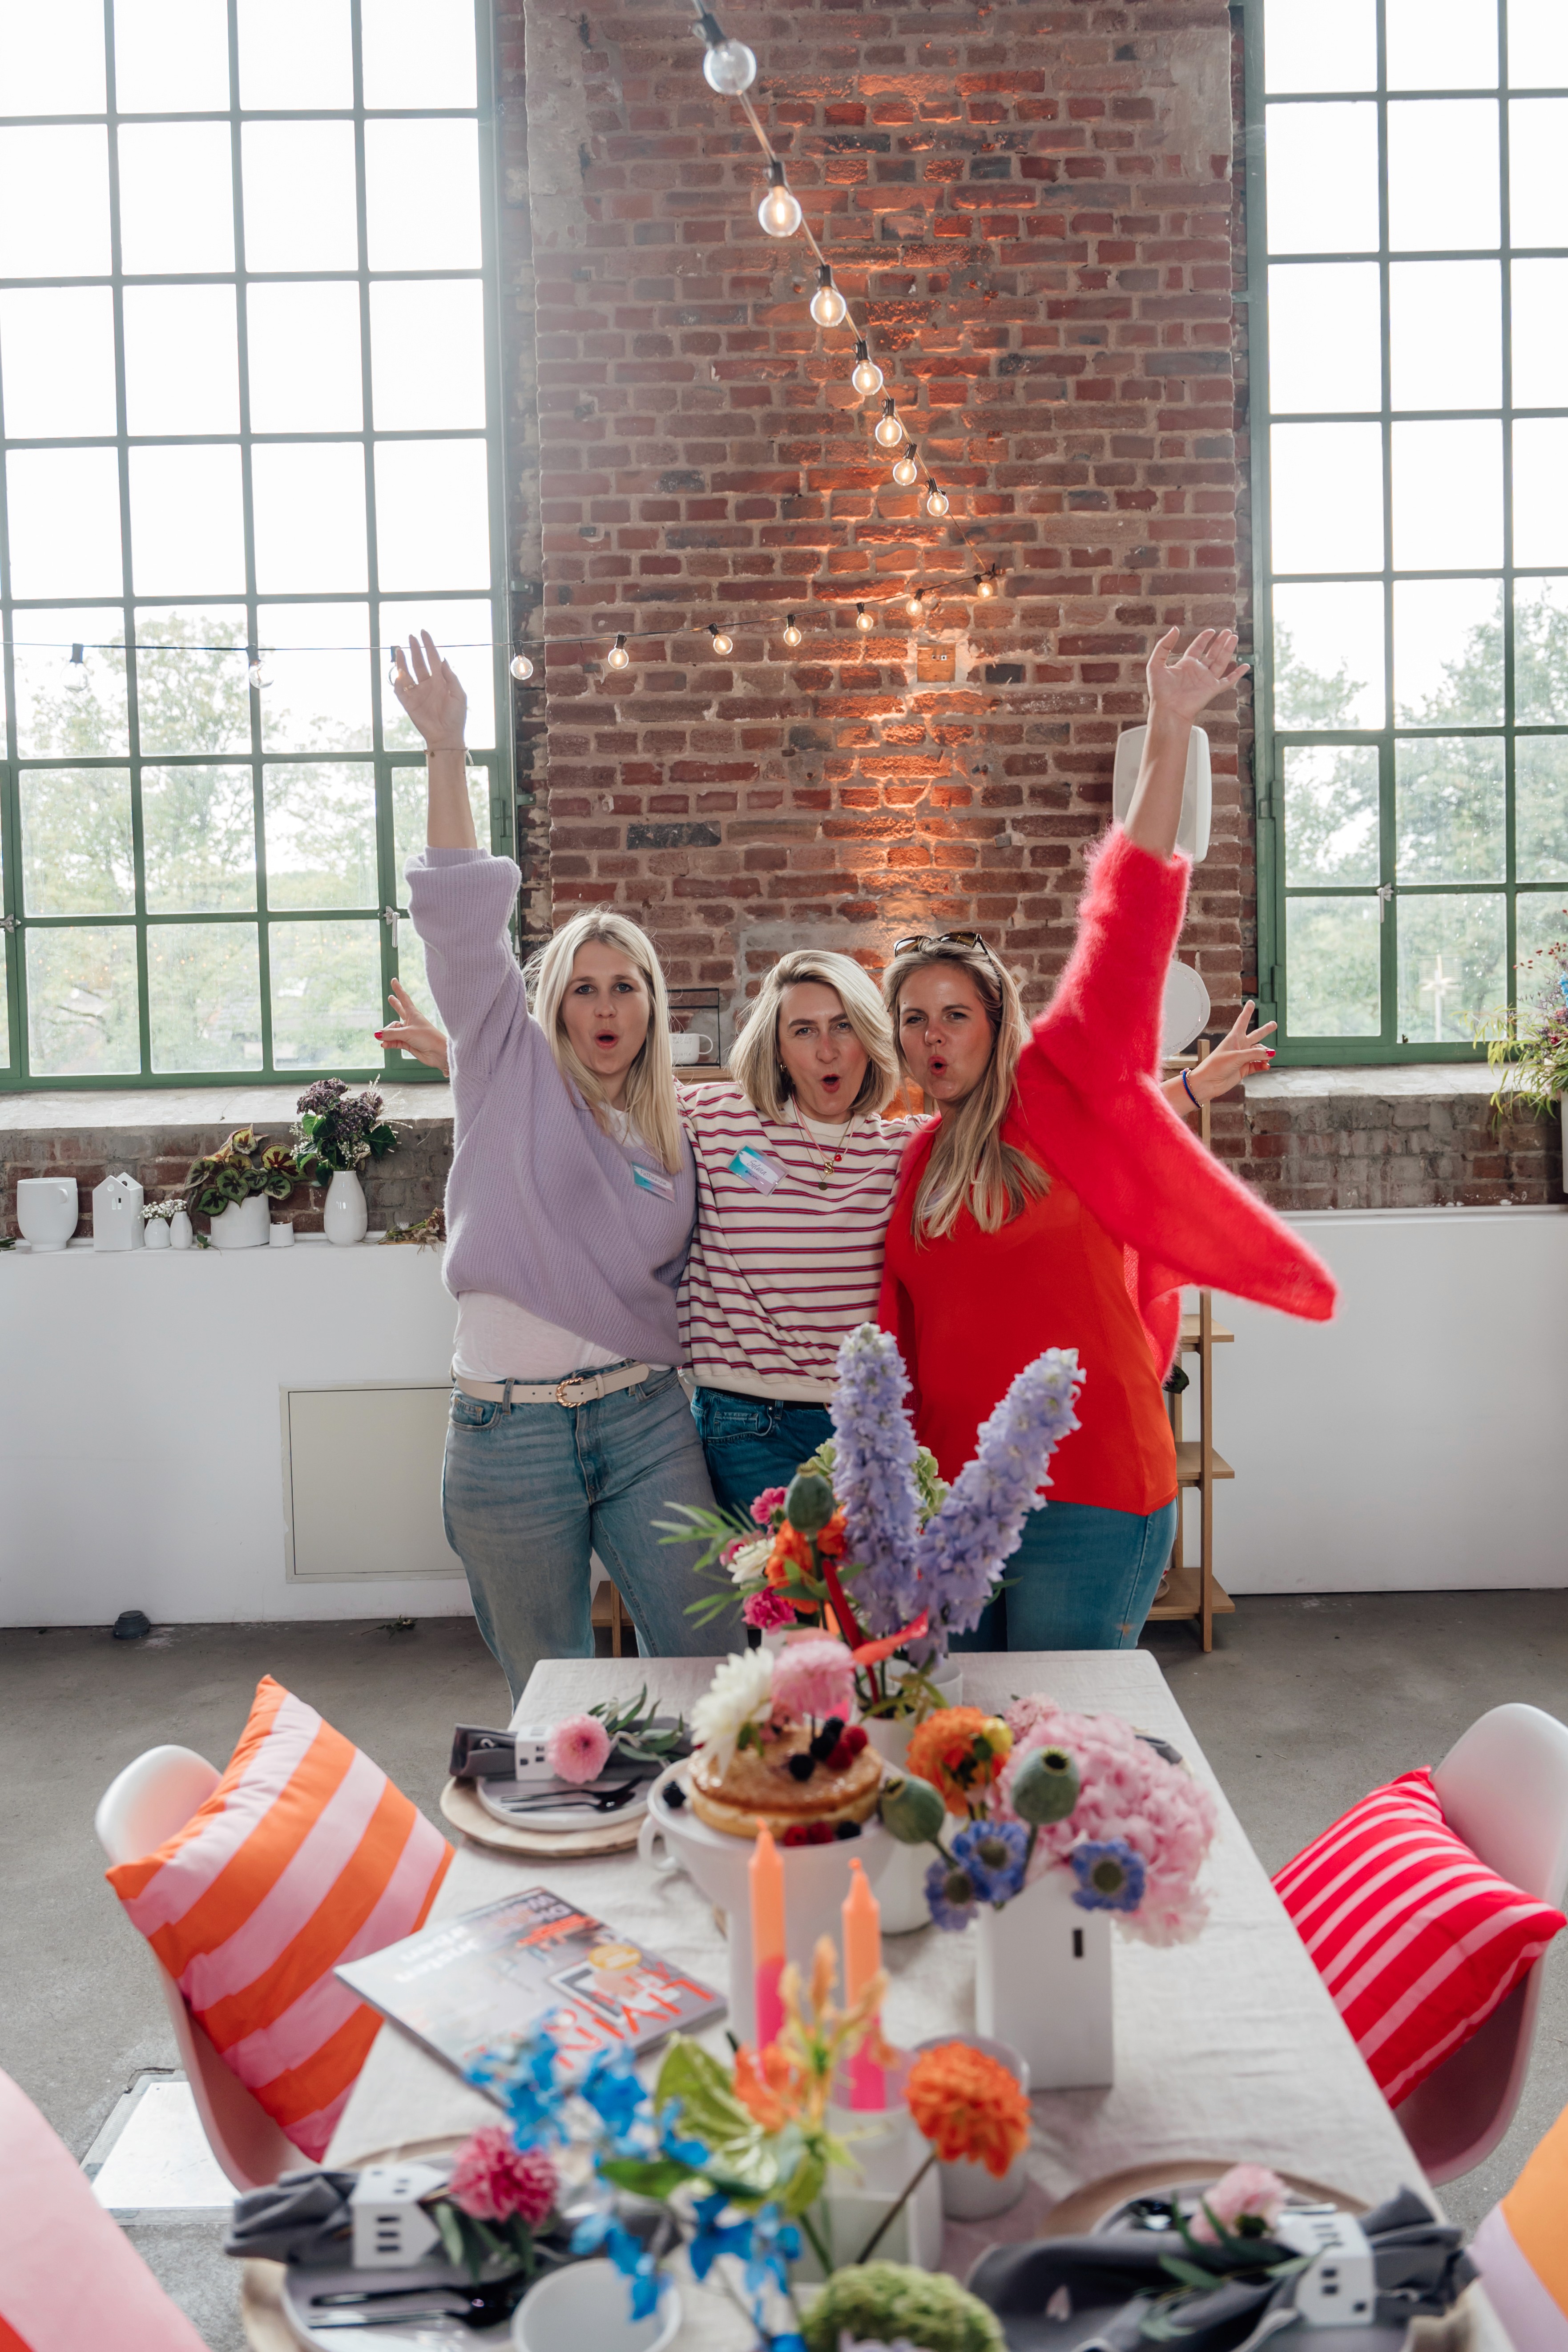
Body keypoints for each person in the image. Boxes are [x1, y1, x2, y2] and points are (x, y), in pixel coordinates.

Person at [878, 626, 1336, 1652]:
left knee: (1061, 1748)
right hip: (955, 1505)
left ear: (998, 1023)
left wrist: (1169, 730)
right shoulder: (914, 1158)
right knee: (963, 1744)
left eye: (954, 1012)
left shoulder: (1059, 1092)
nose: (932, 1035)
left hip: (1089, 1491)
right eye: (912, 1018)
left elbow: (1124, 918)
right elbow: (901, 1346)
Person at [392, 630, 726, 1702]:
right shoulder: (503, 1062)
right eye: (583, 987)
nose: (605, 1005)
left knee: (712, 1658)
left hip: (643, 1418)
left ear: (651, 1005)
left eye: (625, 986)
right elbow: (460, 922)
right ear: (550, 1004)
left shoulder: (676, 1132)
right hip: (507, 1432)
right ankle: (580, 1866)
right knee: (552, 1698)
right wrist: (448, 752)